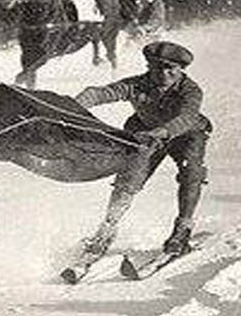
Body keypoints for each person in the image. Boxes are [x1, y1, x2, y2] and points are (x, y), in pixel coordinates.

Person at [74, 40, 211, 257]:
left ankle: (182, 229)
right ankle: (107, 229)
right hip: (147, 135)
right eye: (157, 68)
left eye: (170, 69)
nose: (164, 74)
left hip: (186, 135)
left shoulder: (191, 90)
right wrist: (75, 106)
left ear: (181, 70)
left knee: (191, 172)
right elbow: (101, 93)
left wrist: (160, 132)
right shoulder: (138, 84)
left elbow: (186, 118)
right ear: (149, 68)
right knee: (128, 179)